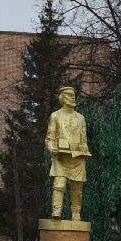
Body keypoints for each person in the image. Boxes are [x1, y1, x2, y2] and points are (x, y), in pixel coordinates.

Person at [46, 86, 91, 221]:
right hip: (61, 158)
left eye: (73, 95)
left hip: (77, 158)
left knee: (77, 190)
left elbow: (84, 138)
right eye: (69, 95)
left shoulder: (81, 118)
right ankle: (56, 212)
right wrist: (52, 148)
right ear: (62, 98)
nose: (73, 97)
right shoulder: (55, 116)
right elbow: (49, 138)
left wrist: (84, 149)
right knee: (59, 185)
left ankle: (76, 213)